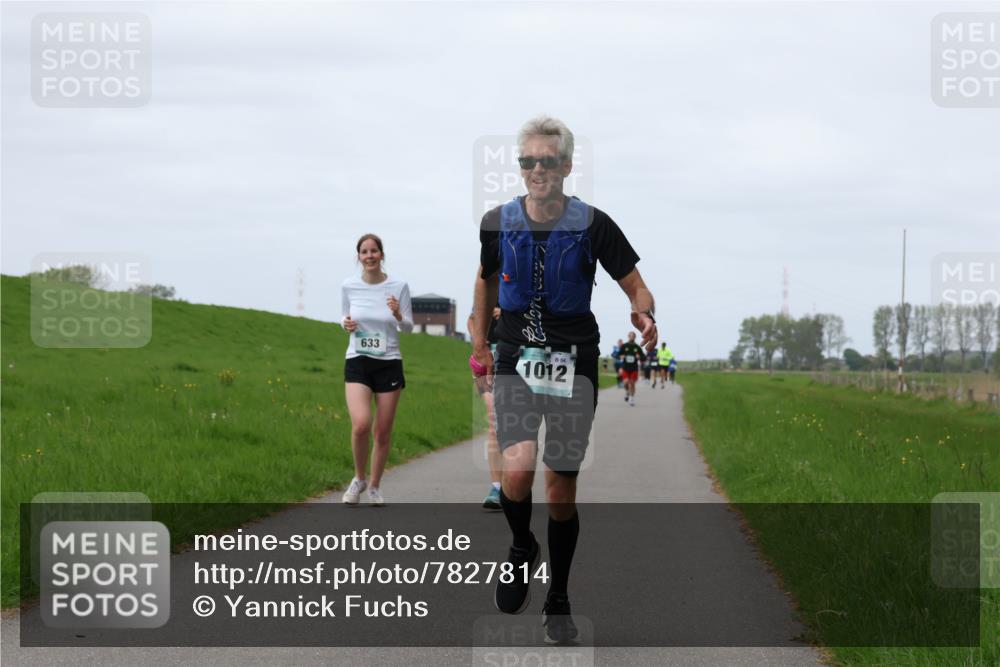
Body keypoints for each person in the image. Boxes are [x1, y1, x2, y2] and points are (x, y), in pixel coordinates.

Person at [470, 116, 657, 645]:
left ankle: (559, 596)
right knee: (516, 470)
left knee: (559, 489)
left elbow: (636, 286)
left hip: (574, 363)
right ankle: (521, 546)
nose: (537, 170)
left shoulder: (594, 224)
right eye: (527, 161)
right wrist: (480, 340)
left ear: (567, 166)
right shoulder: (496, 222)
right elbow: (485, 280)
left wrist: (645, 314)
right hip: (516, 358)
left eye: (548, 161)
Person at [340, 234, 413, 506]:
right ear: (359, 256)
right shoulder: (349, 285)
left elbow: (408, 327)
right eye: (364, 251)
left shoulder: (399, 286)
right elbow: (344, 316)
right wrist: (345, 324)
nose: (369, 256)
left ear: (382, 254)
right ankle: (359, 479)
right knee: (361, 424)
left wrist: (397, 314)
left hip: (388, 362)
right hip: (358, 360)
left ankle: (374, 486)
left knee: (382, 432)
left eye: (374, 251)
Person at [469, 305, 503, 510]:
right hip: (486, 361)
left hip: (519, 356)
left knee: (518, 426)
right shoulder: (487, 287)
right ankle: (497, 487)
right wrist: (478, 343)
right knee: (494, 424)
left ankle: (515, 482)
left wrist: (507, 314)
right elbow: (472, 319)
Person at [619, 332, 645, 406]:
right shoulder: (624, 346)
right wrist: (621, 356)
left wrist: (639, 357)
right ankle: (627, 392)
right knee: (626, 382)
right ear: (628, 336)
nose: (631, 337)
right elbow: (618, 354)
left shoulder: (637, 347)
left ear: (635, 337)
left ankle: (631, 398)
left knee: (632, 383)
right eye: (630, 336)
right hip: (625, 368)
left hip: (634, 368)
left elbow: (644, 357)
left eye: (633, 336)